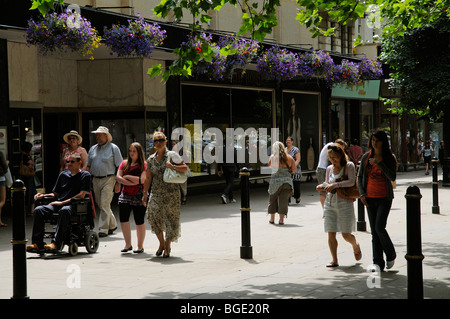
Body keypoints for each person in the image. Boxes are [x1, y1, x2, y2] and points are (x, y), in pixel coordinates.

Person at [26, 154, 91, 251]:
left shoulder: (85, 175)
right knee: (39, 210)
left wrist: (62, 203)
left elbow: (81, 195)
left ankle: (56, 243)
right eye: (67, 162)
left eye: (72, 162)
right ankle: (37, 243)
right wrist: (43, 195)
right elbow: (55, 193)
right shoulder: (63, 175)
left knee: (64, 210)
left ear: (79, 163)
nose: (69, 164)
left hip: (74, 206)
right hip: (59, 203)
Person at [142, 131, 188, 258]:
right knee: (152, 215)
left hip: (171, 193)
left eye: (160, 140)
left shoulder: (172, 155)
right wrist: (145, 193)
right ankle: (161, 243)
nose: (158, 143)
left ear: (166, 141)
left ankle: (167, 246)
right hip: (156, 192)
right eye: (155, 141)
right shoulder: (151, 159)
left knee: (170, 220)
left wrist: (173, 166)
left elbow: (185, 169)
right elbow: (148, 178)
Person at [357, 130, 397, 271]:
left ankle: (391, 254)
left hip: (384, 197)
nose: (374, 142)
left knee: (380, 227)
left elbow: (392, 176)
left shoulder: (389, 157)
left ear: (383, 142)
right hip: (370, 198)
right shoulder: (366, 157)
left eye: (377, 140)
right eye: (373, 140)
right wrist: (362, 194)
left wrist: (380, 164)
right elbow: (359, 176)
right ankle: (377, 262)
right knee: (374, 232)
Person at [316, 143, 361, 268]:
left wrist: (335, 185)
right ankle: (334, 260)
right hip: (330, 203)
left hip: (344, 203)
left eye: (334, 157)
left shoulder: (349, 166)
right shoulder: (329, 168)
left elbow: (351, 181)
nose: (332, 160)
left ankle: (355, 245)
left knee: (346, 234)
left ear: (341, 155)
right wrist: (322, 186)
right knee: (331, 232)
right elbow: (327, 182)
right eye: (330, 158)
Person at [87, 126, 123, 237]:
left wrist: (118, 183)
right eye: (96, 134)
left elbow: (120, 166)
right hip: (95, 179)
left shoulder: (113, 148)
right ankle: (112, 224)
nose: (97, 136)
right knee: (102, 204)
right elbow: (88, 165)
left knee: (104, 203)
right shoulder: (93, 149)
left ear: (106, 136)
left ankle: (103, 229)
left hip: (109, 178)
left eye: (100, 134)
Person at [115, 142, 147, 254]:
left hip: (139, 195)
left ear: (139, 153)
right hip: (125, 195)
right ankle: (128, 244)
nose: (131, 153)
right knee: (123, 219)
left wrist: (127, 177)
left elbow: (142, 180)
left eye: (134, 151)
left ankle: (140, 246)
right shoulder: (124, 163)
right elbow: (118, 177)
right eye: (130, 151)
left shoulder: (144, 164)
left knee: (139, 221)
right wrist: (132, 181)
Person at [267, 141, 297, 225]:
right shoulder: (290, 157)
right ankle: (281, 220)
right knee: (283, 201)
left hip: (274, 183)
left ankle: (272, 219)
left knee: (272, 200)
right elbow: (294, 170)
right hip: (287, 182)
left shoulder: (273, 157)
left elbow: (269, 166)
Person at [316, 138, 346, 208]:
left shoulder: (329, 145)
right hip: (322, 169)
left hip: (323, 169)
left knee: (327, 189)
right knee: (324, 190)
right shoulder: (331, 146)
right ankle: (325, 210)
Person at [217, 138, 239, 204]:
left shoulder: (221, 150)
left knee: (228, 182)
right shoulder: (233, 149)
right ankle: (224, 194)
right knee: (231, 182)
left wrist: (219, 169)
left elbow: (219, 160)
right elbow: (236, 159)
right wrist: (239, 167)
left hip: (224, 167)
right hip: (231, 167)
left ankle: (231, 198)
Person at [171, 140, 191, 205]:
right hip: (175, 170)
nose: (173, 146)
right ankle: (178, 198)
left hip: (182, 170)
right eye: (172, 145)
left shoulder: (182, 152)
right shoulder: (171, 153)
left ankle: (184, 197)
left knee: (183, 185)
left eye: (174, 144)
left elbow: (186, 161)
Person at [20, 142, 37, 216]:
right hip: (27, 177)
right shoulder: (25, 156)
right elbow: (32, 164)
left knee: (31, 192)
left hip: (26, 177)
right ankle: (29, 210)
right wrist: (30, 156)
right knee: (30, 192)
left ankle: (29, 210)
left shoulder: (22, 156)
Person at [285, 136, 302, 204]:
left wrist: (293, 166)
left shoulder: (296, 149)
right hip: (287, 169)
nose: (288, 142)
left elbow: (298, 159)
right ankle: (288, 197)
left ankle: (297, 197)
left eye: (289, 140)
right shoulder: (284, 149)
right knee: (287, 184)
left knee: (296, 183)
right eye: (287, 140)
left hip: (296, 169)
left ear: (292, 142)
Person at [0, 151, 8, 227]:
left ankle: (0, 221)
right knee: (2, 200)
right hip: (0, 177)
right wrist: (7, 163)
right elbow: (5, 168)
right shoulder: (0, 153)